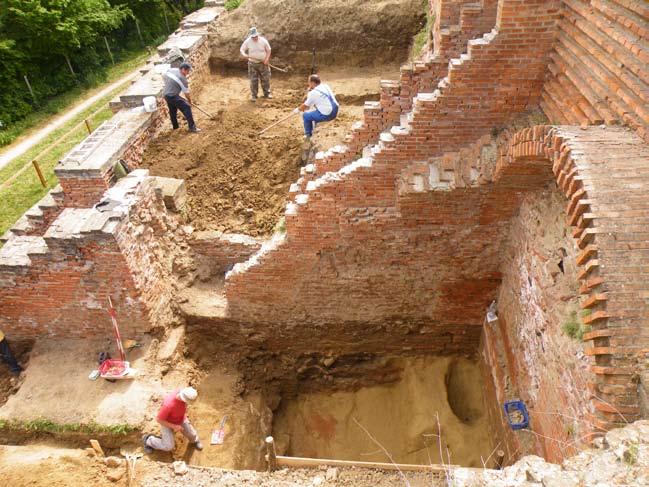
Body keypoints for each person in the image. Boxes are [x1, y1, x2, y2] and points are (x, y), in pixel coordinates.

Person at [143, 387, 203, 453]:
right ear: (185, 399)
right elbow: (159, 420)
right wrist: (174, 426)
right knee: (168, 446)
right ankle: (149, 440)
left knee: (192, 434)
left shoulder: (181, 391)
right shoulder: (168, 405)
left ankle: (195, 441)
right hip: (167, 422)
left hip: (180, 417)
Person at [298, 74, 339, 139]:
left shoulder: (313, 93)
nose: (308, 84)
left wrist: (297, 110)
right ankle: (316, 128)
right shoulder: (325, 86)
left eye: (309, 82)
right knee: (317, 110)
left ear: (312, 82)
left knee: (305, 115)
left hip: (328, 115)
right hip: (335, 110)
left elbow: (306, 106)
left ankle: (308, 135)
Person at [163, 63, 201, 133]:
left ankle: (175, 126)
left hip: (165, 94)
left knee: (172, 110)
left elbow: (164, 75)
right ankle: (192, 128)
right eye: (188, 71)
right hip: (172, 96)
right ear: (183, 69)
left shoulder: (172, 70)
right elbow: (186, 93)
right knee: (187, 107)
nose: (188, 73)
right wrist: (189, 101)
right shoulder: (183, 79)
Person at [240, 27, 272, 102]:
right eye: (253, 37)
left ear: (257, 35)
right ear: (251, 36)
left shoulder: (263, 41)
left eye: (256, 36)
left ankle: (267, 93)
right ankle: (254, 95)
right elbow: (242, 49)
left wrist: (266, 59)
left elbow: (269, 50)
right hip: (252, 64)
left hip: (263, 63)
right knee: (253, 80)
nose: (255, 38)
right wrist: (244, 54)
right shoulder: (248, 41)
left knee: (265, 79)